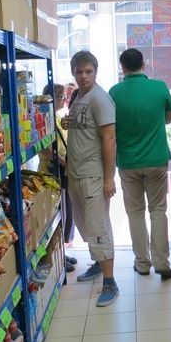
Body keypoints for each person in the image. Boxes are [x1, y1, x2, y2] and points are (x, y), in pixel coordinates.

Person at [109, 48, 171, 280]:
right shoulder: (160, 87)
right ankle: (162, 262)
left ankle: (142, 263)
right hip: (156, 160)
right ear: (143, 65)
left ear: (122, 68)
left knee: (135, 213)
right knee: (158, 210)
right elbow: (167, 119)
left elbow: (111, 126)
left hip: (128, 162)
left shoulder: (114, 92)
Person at [60, 51, 119, 306]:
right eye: (79, 72)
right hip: (75, 173)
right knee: (85, 225)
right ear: (73, 72)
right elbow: (85, 126)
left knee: (98, 227)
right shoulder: (78, 96)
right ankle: (97, 263)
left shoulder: (100, 99)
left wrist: (109, 178)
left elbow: (109, 138)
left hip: (93, 174)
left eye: (88, 71)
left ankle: (110, 282)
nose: (83, 76)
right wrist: (69, 122)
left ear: (95, 71)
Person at [38, 83, 77, 273]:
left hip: (62, 170)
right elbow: (45, 149)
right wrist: (63, 162)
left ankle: (61, 251)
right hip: (52, 171)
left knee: (66, 212)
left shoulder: (58, 117)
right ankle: (57, 255)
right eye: (61, 96)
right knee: (56, 214)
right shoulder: (44, 120)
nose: (64, 99)